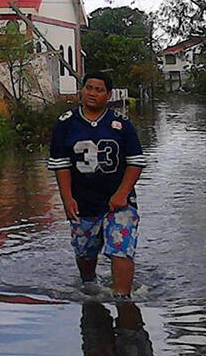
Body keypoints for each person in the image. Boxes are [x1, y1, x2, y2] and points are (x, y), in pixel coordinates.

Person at [48, 72, 146, 297]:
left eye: (99, 90)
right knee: (85, 250)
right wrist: (66, 198)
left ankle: (124, 301)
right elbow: (60, 164)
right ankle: (89, 286)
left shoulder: (121, 124)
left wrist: (122, 194)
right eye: (89, 88)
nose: (92, 93)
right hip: (83, 202)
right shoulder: (65, 124)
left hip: (119, 202)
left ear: (108, 95)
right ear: (82, 91)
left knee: (121, 247)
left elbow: (136, 162)